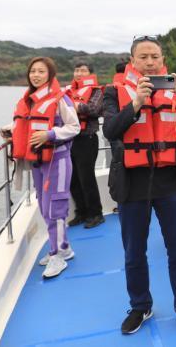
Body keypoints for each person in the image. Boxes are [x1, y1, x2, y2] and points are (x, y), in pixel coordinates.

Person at [102, 36, 176, 336]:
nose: (150, 62)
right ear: (132, 61)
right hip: (132, 184)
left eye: (155, 57)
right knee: (134, 252)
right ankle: (140, 306)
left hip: (170, 182)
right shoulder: (114, 91)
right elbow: (110, 130)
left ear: (163, 60)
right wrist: (136, 103)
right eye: (143, 57)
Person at [0, 57, 80, 278]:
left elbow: (74, 127)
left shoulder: (61, 98)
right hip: (38, 162)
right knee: (44, 208)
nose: (35, 75)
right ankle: (64, 248)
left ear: (50, 75)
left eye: (41, 71)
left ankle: (58, 255)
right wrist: (11, 130)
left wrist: (50, 134)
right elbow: (26, 123)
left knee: (56, 208)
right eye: (33, 71)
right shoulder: (29, 100)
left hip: (58, 160)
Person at [68, 62, 105, 229]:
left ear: (90, 74)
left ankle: (96, 214)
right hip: (69, 139)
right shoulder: (68, 91)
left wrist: (75, 106)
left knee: (86, 178)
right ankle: (81, 212)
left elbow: (94, 109)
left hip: (87, 139)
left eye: (83, 70)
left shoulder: (96, 91)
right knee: (73, 178)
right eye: (76, 70)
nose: (79, 73)